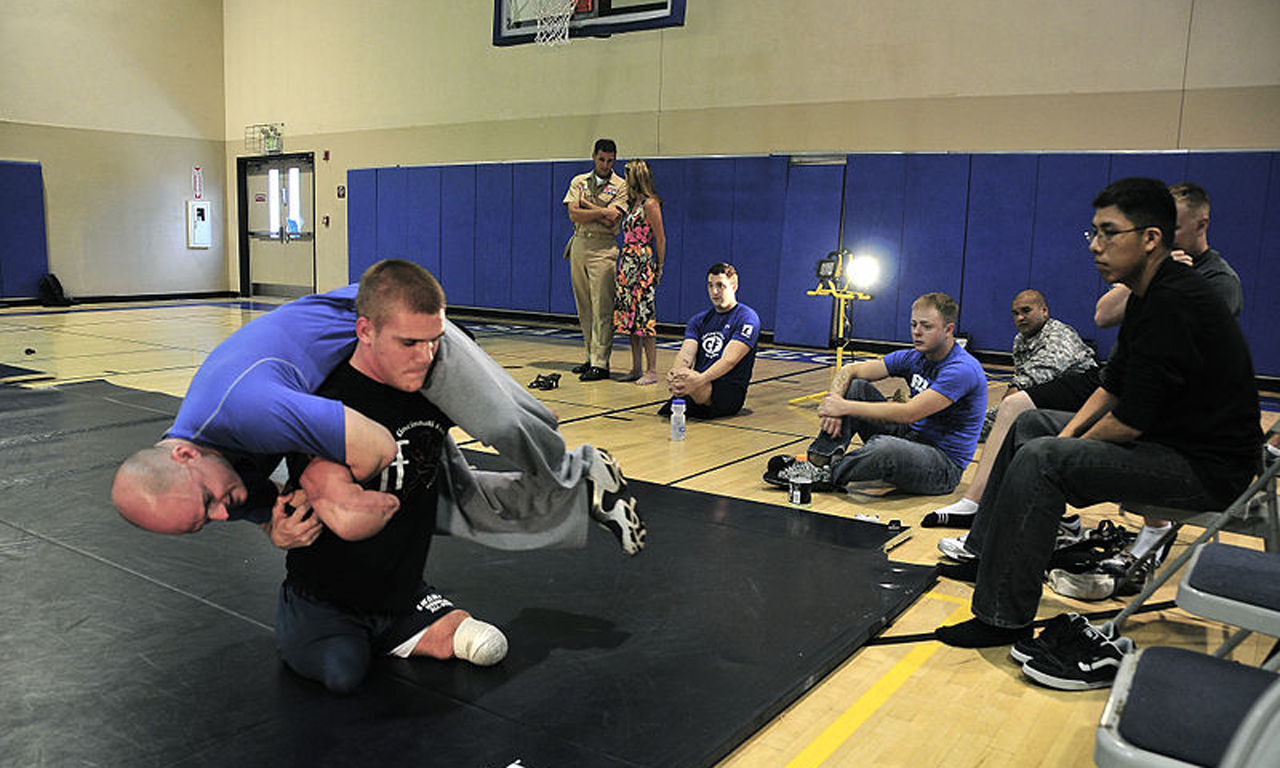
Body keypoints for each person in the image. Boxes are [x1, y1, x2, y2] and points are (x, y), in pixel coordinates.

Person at [112, 259, 646, 558]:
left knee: (505, 422)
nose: (223, 512)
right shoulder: (212, 475)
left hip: (391, 336)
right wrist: (273, 525)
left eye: (209, 502)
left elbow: (375, 447)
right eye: (203, 523)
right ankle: (584, 501)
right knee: (445, 502)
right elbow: (263, 506)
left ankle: (576, 468)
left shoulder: (247, 407)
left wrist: (331, 492)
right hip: (349, 384)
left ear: (183, 454)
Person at [935, 179, 1261, 665]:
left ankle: (1002, 614)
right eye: (1092, 232)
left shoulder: (1177, 301)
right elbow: (1112, 385)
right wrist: (1063, 437)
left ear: (1151, 238)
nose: (1095, 245)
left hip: (1206, 470)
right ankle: (987, 557)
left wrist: (1059, 453)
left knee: (1043, 458)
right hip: (1169, 444)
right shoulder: (1148, 293)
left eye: (1109, 233)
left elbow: (1127, 423)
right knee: (1031, 426)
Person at [276, 267, 509, 693]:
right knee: (342, 673)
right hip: (324, 594)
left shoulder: (437, 382)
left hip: (401, 588)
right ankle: (315, 620)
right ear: (365, 331)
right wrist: (267, 518)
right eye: (408, 343)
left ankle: (402, 621)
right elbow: (241, 455)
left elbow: (488, 387)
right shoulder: (320, 394)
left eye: (433, 341)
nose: (424, 356)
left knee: (490, 646)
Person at [1091, 181, 1244, 560]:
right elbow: (1102, 316)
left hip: (1176, 416)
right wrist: (1157, 272)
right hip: (1122, 385)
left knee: (1058, 454)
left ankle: (1156, 529)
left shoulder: (1218, 281)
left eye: (1172, 228)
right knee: (1028, 422)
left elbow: (1183, 364)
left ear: (1201, 224)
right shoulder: (1152, 270)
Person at [764, 292, 986, 496]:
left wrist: (844, 407)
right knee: (856, 388)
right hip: (911, 438)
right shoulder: (913, 357)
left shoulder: (961, 369)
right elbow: (850, 370)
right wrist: (835, 404)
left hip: (942, 466)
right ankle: (818, 462)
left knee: (884, 447)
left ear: (948, 330)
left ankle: (829, 474)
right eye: (913, 324)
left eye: (926, 326)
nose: (917, 332)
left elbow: (909, 413)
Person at [924, 289, 1097, 528]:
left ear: (1044, 311)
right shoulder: (1020, 341)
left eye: (1026, 311)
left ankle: (977, 501)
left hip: (1081, 401)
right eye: (1015, 313)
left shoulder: (1058, 335)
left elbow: (1028, 383)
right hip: (1045, 399)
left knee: (1007, 417)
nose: (1020, 318)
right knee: (989, 424)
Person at [659, 263, 760, 419]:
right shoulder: (698, 320)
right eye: (710, 286)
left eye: (720, 286)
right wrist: (676, 374)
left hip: (727, 390)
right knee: (668, 409)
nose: (714, 292)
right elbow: (686, 353)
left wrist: (700, 379)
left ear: (734, 286)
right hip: (696, 385)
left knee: (693, 387)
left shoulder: (747, 318)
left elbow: (729, 360)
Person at [564, 138, 628, 381]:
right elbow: (573, 214)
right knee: (584, 305)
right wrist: (602, 211)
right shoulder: (579, 181)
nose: (605, 164)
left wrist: (588, 207)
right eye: (601, 159)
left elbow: (613, 219)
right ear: (594, 156)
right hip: (580, 244)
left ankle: (602, 363)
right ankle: (590, 356)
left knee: (602, 306)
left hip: (603, 249)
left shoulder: (620, 186)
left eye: (610, 160)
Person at [613, 159, 666, 385]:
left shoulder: (650, 204)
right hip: (627, 263)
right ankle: (636, 367)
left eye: (628, 176)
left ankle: (651, 370)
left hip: (642, 262)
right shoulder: (631, 204)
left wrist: (659, 266)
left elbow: (660, 238)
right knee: (629, 318)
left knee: (645, 318)